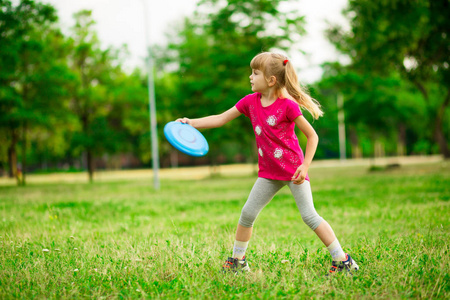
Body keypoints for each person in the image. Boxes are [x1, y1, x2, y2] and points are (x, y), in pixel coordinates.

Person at [176, 52, 359, 275]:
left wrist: (305, 166)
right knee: (247, 214)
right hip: (268, 173)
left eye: (255, 73)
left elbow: (313, 137)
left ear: (271, 80)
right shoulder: (249, 102)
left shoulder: (288, 106)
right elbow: (220, 118)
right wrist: (190, 123)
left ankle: (343, 260)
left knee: (309, 216)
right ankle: (238, 260)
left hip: (293, 172)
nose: (250, 77)